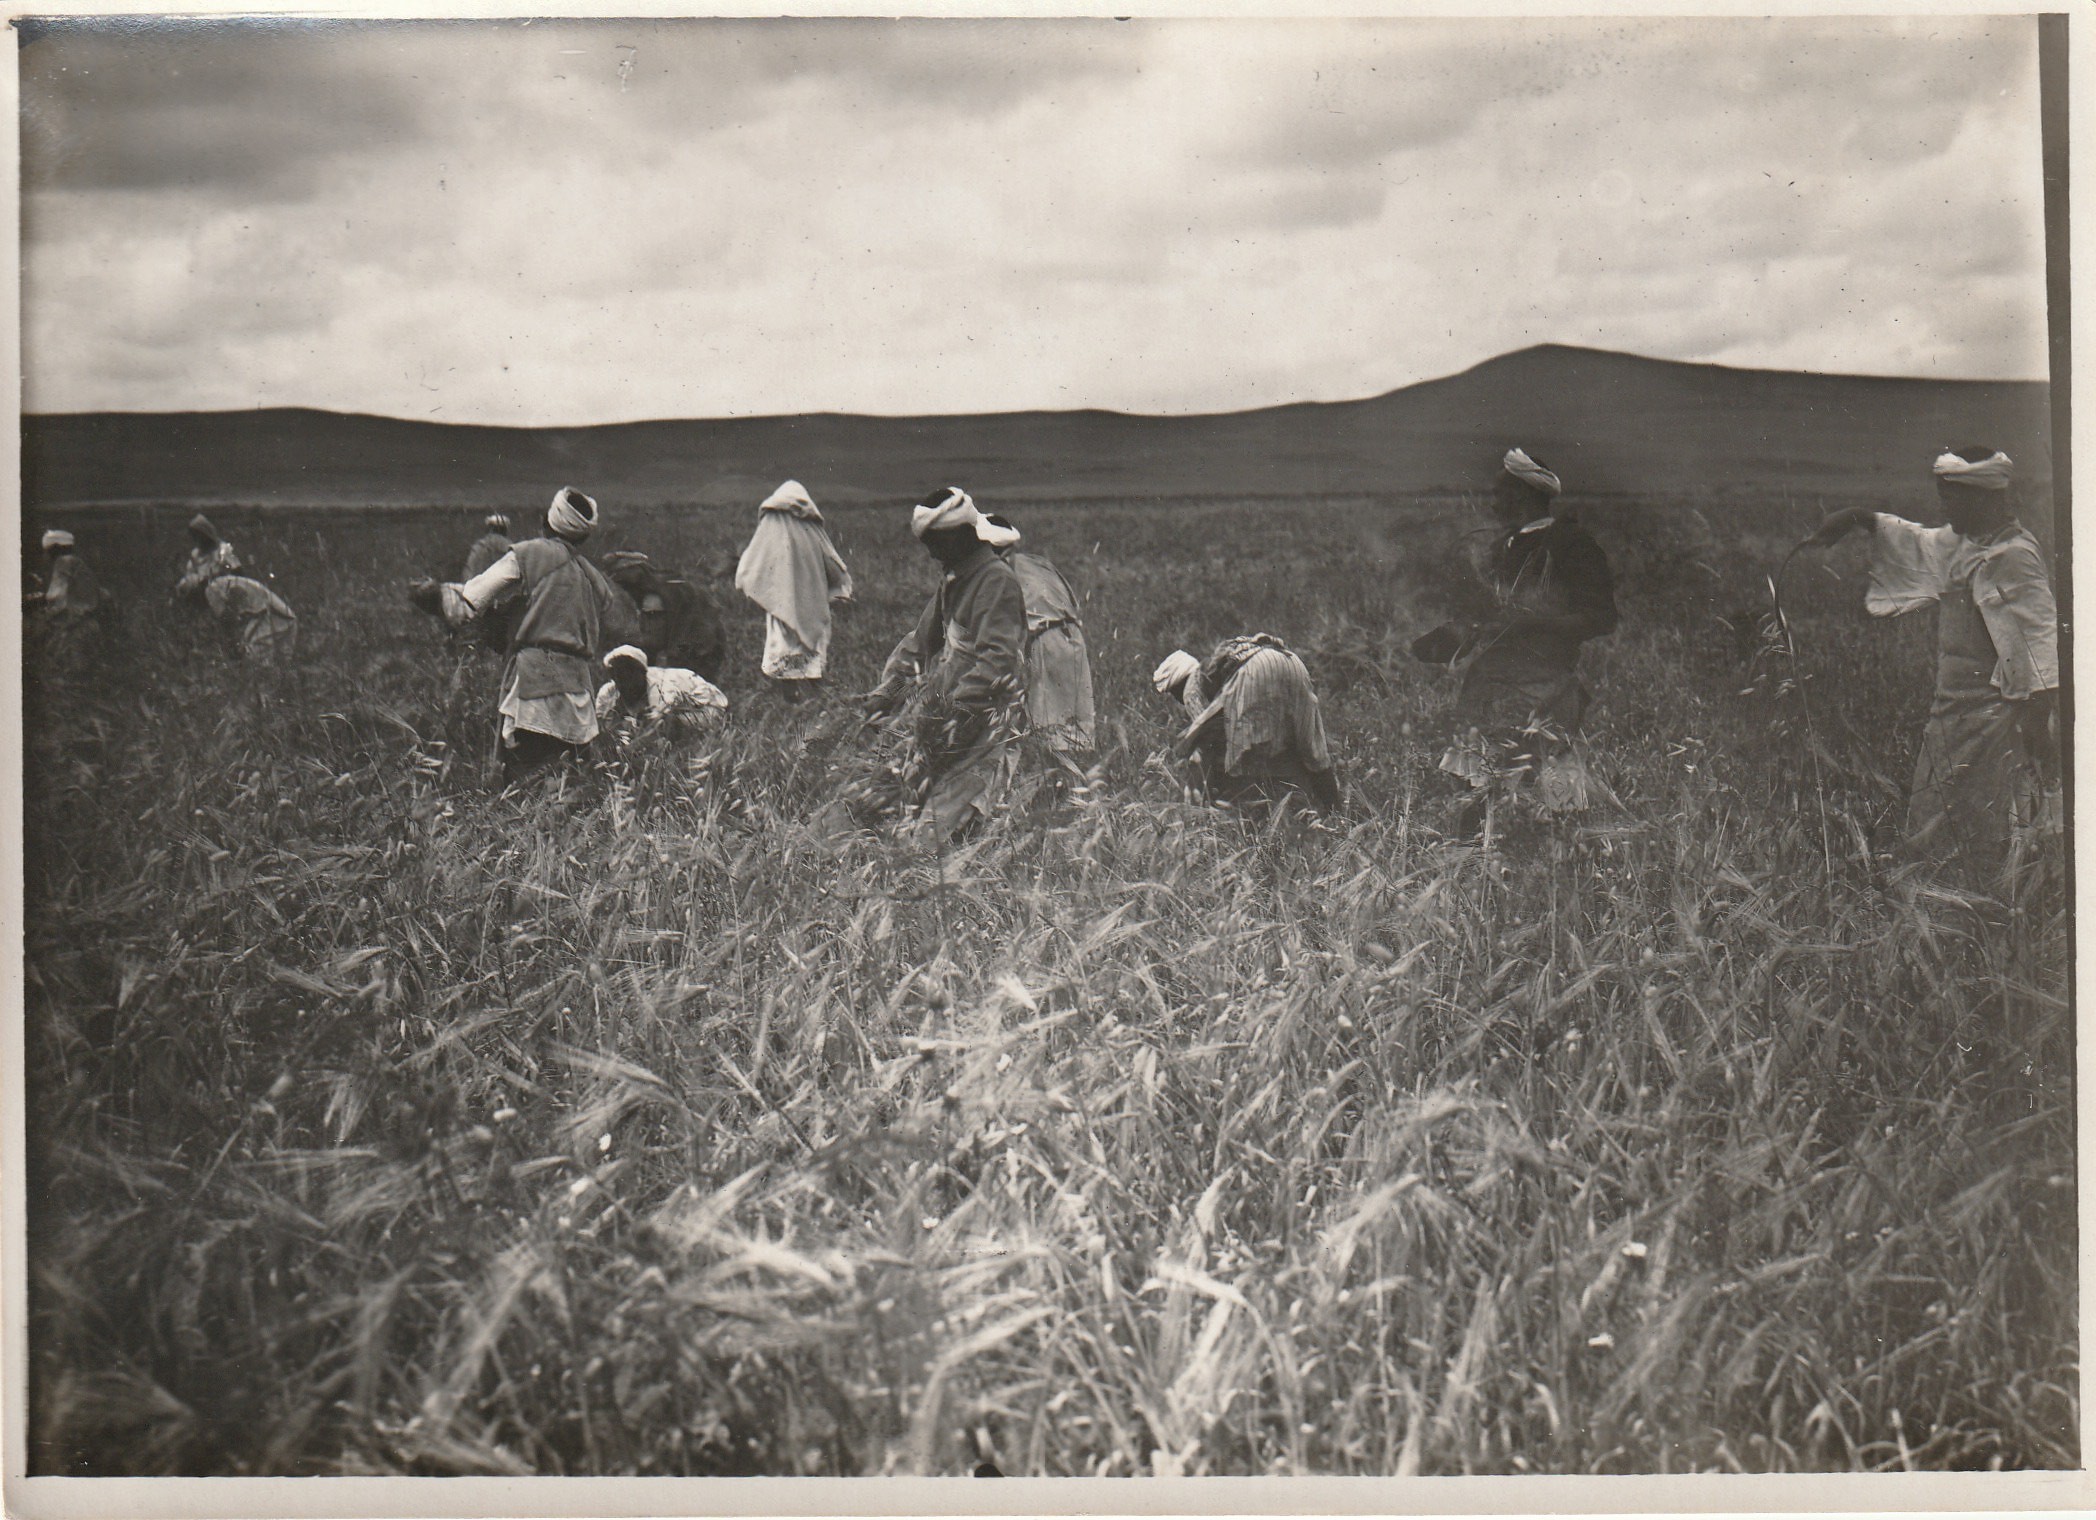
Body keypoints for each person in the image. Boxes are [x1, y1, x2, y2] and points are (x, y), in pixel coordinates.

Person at [1806, 447, 2060, 890]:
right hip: (1950, 714)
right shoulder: (1962, 543)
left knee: (1983, 819)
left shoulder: (2013, 555)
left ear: (1984, 498)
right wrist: (1858, 517)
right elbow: (1920, 540)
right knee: (1933, 812)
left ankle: (1979, 906)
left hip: (1993, 718)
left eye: (1951, 498)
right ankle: (1940, 899)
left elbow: (2040, 645)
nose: (1944, 508)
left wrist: (2039, 731)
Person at [1410, 448, 1618, 833]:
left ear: (1521, 496)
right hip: (1491, 687)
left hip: (1548, 687)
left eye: (1498, 493)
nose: (1492, 502)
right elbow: (1490, 617)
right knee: (1476, 792)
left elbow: (1601, 618)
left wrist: (1533, 625)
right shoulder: (1500, 548)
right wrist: (1454, 638)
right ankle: (1477, 871)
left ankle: (1563, 870)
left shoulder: (1572, 544)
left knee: (1557, 794)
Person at [861, 487, 1029, 841]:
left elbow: (997, 663)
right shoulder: (955, 580)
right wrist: (887, 692)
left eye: (938, 543)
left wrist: (950, 717)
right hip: (942, 710)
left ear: (963, 535)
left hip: (979, 720)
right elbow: (920, 644)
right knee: (886, 787)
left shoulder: (996, 581)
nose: (933, 554)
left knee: (940, 817)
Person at [430, 485, 626, 785]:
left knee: (525, 776)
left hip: (536, 682)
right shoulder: (593, 577)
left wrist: (441, 598)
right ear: (585, 535)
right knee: (570, 781)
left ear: (547, 523)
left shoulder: (531, 553)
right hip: (578, 687)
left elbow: (472, 596)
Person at [1151, 635, 1340, 813]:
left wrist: (1203, 795)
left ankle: (1258, 817)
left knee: (1245, 758)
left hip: (1254, 671)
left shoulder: (1191, 688)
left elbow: (1206, 743)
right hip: (1289, 660)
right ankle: (1337, 813)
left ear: (1176, 687)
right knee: (1310, 746)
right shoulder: (1216, 668)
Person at [733, 479, 853, 699]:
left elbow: (748, 567)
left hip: (781, 609)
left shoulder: (770, 525)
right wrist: (839, 592)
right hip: (812, 607)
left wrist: (768, 591)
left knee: (784, 656)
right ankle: (811, 703)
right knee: (810, 662)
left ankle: (789, 701)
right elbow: (835, 567)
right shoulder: (812, 529)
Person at [171, 519, 298, 660]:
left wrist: (231, 648)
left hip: (271, 616)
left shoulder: (212, 589)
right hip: (281, 615)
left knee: (253, 659)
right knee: (275, 661)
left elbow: (228, 620)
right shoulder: (207, 573)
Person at [595, 645, 729, 734]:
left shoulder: (663, 688)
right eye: (618, 671)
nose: (625, 677)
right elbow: (603, 726)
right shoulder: (608, 693)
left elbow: (655, 726)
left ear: (643, 672)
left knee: (668, 726)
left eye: (630, 671)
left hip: (708, 706)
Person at [174, 514, 241, 598]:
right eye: (194, 536)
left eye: (199, 535)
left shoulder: (223, 550)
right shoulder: (195, 554)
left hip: (221, 590)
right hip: (201, 592)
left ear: (206, 534)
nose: (196, 539)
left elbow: (237, 571)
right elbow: (191, 574)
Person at [464, 514, 513, 579]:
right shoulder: (513, 548)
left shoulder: (479, 547)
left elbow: (469, 572)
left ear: (490, 528)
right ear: (506, 529)